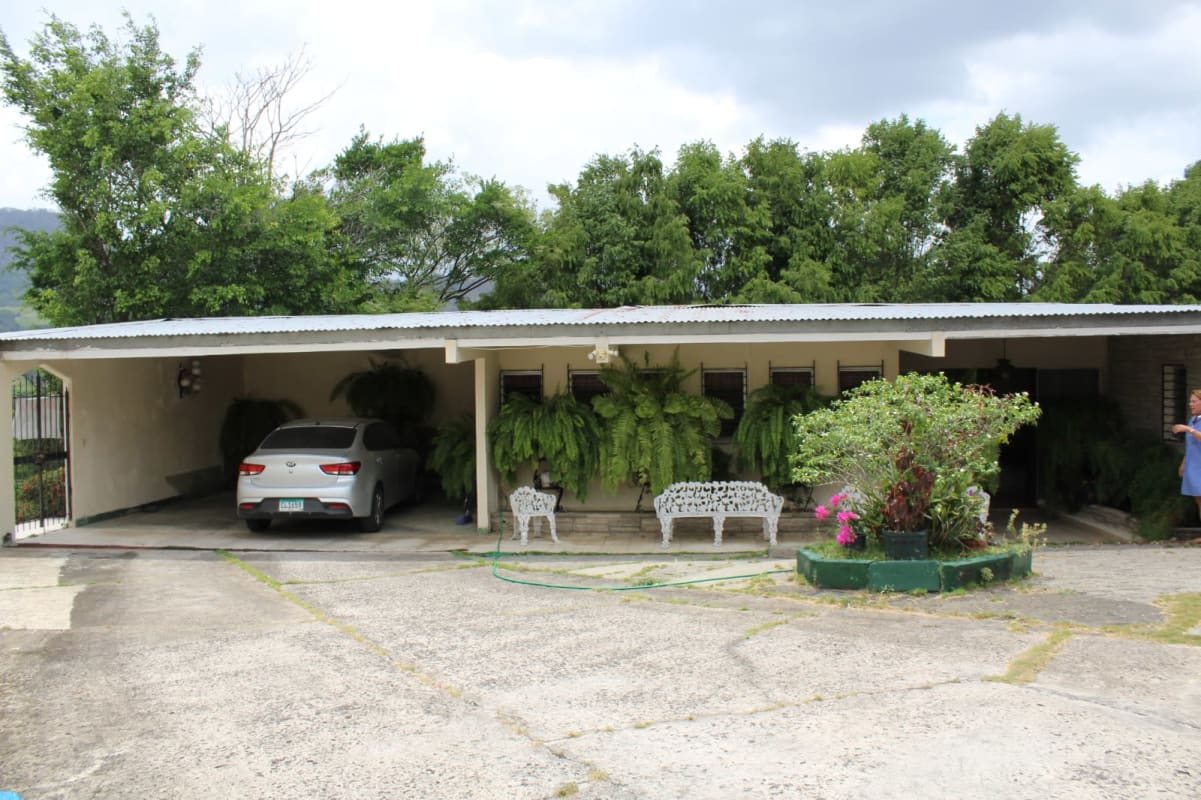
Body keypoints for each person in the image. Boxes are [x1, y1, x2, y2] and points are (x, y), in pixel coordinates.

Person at [1171, 388, 1201, 520]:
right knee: (1199, 499)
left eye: (1194, 401)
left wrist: (1188, 429)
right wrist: (1183, 463)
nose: (1190, 404)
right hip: (1194, 465)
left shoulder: (1191, 425)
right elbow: (1190, 445)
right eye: (1190, 401)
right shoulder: (1193, 420)